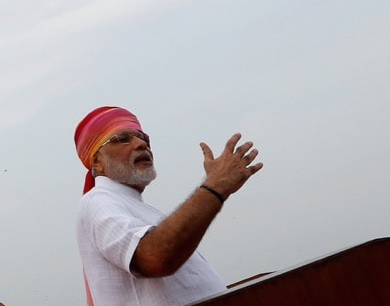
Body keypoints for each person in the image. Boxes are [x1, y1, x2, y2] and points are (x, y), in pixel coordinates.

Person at [74, 106, 263, 306]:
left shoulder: (137, 208)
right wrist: (216, 186)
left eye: (144, 139)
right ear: (97, 162)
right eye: (123, 139)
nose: (141, 144)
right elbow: (154, 258)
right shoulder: (97, 201)